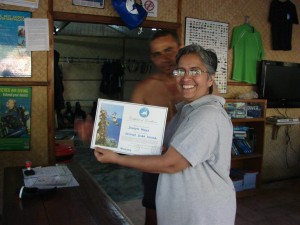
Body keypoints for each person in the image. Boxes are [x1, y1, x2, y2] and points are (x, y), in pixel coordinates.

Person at [93, 44, 236, 225]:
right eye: (180, 71)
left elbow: (171, 163)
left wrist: (117, 158)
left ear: (210, 79)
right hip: (184, 209)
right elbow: (168, 152)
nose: (186, 78)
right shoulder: (186, 111)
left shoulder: (207, 115)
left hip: (202, 214)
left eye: (195, 71)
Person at [130, 30, 182, 225]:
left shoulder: (197, 83)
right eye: (157, 54)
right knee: (153, 213)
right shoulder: (144, 89)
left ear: (180, 49)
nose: (164, 58)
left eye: (169, 50)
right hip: (156, 161)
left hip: (190, 161)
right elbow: (132, 132)